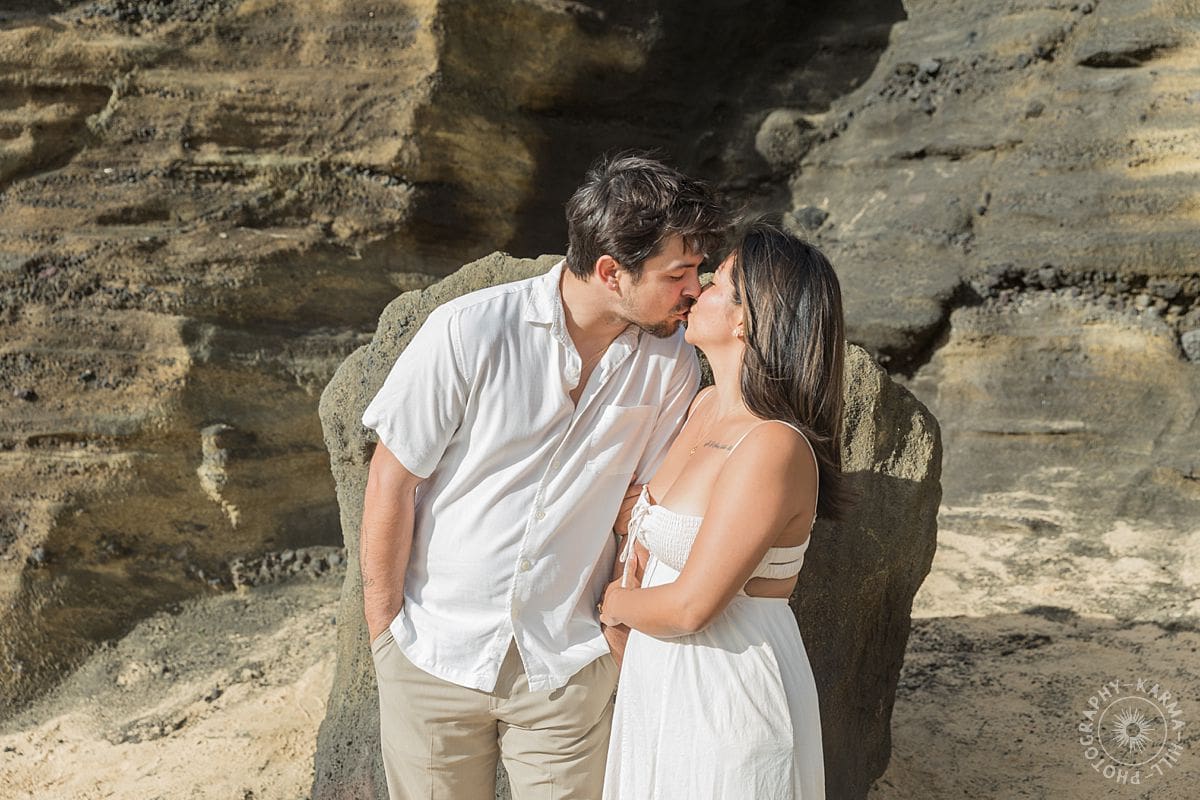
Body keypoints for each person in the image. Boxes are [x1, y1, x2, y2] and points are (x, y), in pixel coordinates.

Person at [357, 153, 727, 800]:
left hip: (567, 666)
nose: (694, 289)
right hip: (431, 657)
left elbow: (642, 512)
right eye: (679, 273)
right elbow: (392, 479)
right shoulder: (468, 331)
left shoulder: (672, 365)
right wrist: (385, 636)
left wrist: (612, 641)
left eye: (696, 271)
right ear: (612, 272)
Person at [599, 222, 850, 799]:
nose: (694, 291)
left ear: (745, 319)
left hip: (726, 695)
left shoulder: (773, 446)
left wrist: (613, 605)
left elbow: (692, 607)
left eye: (715, 282)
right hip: (657, 685)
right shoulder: (704, 404)